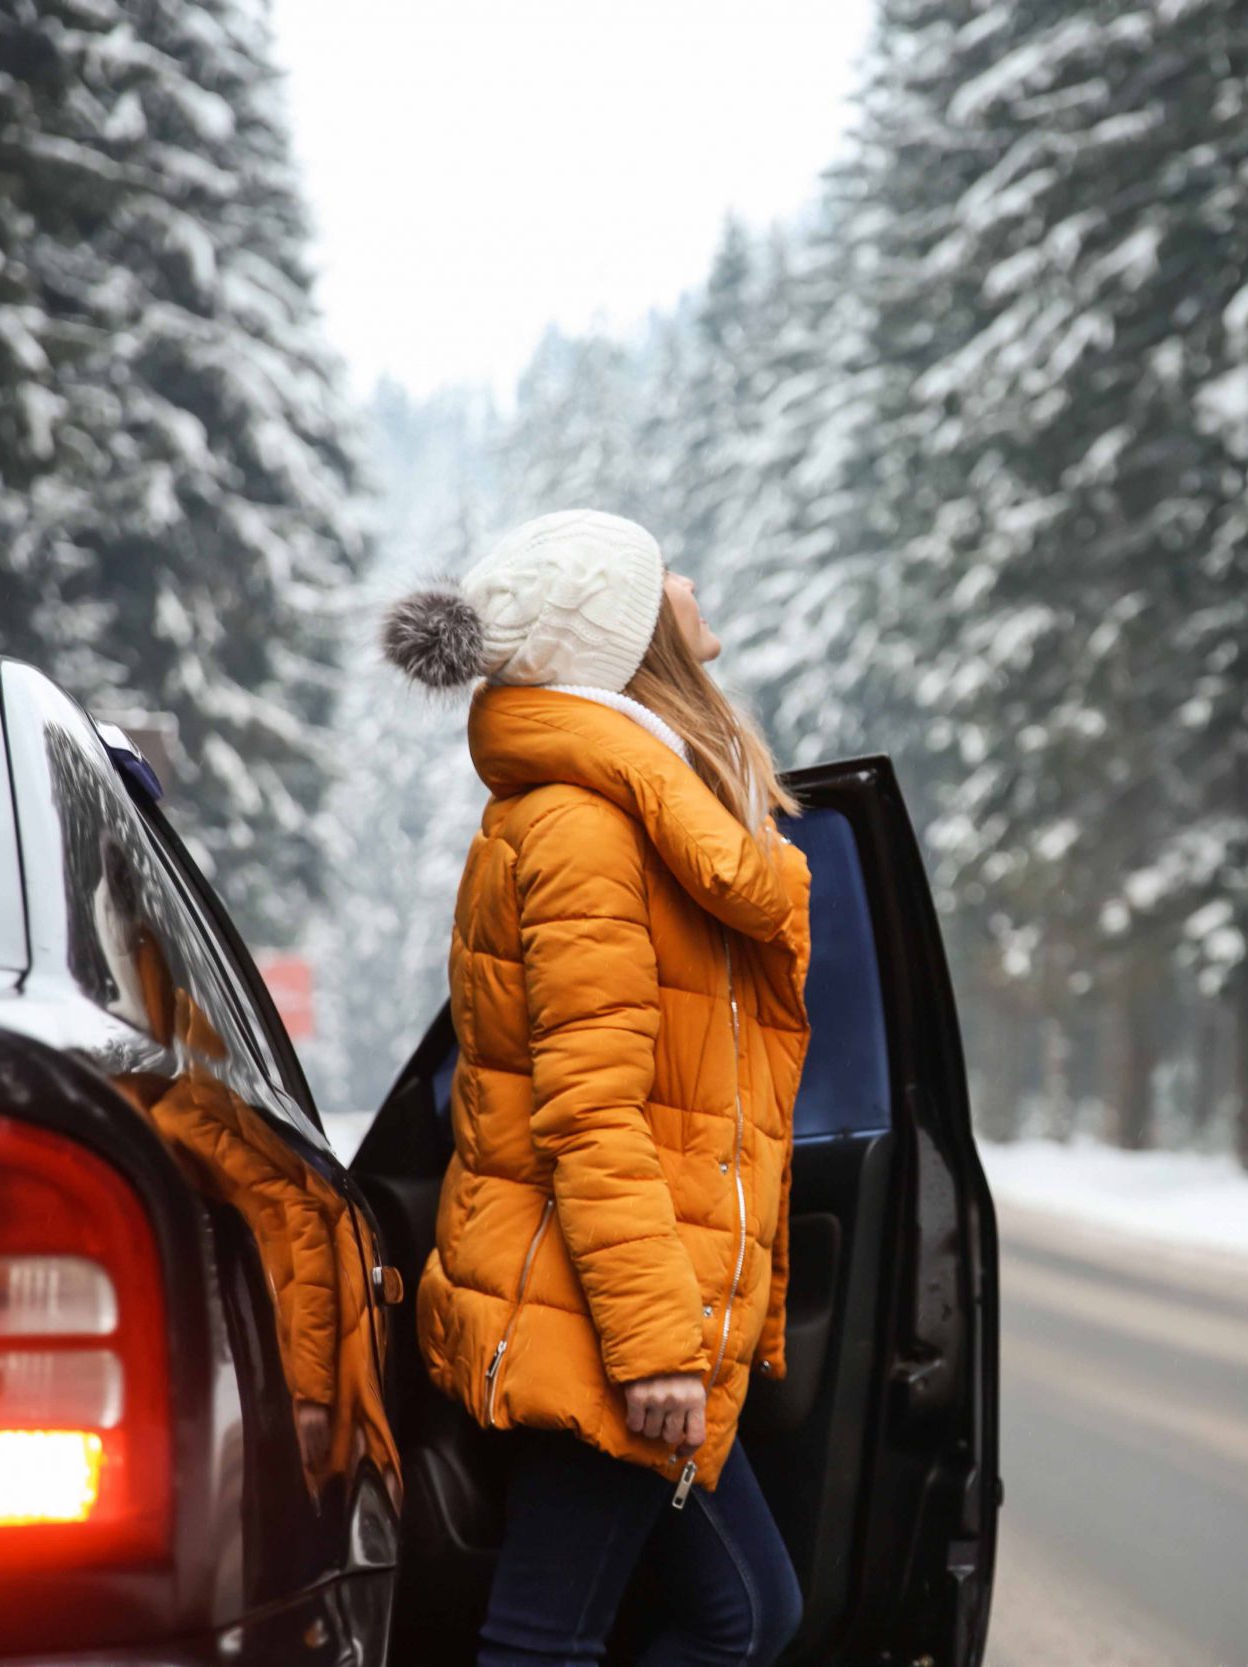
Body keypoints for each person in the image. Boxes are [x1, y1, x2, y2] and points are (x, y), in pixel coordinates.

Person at [382, 509, 813, 1666]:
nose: (684, 576)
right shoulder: (583, 826)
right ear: (617, 637)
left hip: (607, 1299)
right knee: (560, 1638)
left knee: (740, 1613)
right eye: (652, 571)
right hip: (598, 1310)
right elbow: (589, 1107)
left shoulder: (641, 809)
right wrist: (655, 1343)